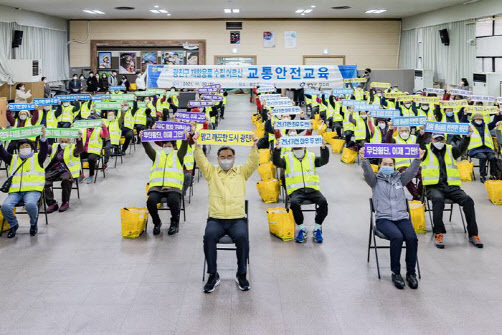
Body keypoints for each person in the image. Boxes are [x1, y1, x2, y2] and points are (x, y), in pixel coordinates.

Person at [194, 133, 259, 293]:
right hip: (216, 219)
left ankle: (241, 274)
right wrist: (196, 145)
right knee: (209, 237)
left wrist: (254, 146)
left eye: (229, 156)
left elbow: (253, 162)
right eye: (222, 157)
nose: (226, 159)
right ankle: (213, 275)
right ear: (217, 158)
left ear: (234, 158)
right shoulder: (211, 172)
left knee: (243, 238)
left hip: (237, 219)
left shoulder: (242, 172)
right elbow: (201, 161)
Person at [360, 146, 423, 289]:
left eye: (390, 164)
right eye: (385, 164)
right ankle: (396, 273)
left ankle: (411, 273)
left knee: (412, 238)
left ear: (394, 166)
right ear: (380, 165)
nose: (388, 166)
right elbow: (367, 171)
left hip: (401, 218)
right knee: (397, 237)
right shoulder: (374, 180)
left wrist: (418, 159)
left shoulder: (400, 179)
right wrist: (364, 159)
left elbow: (412, 172)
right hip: (384, 219)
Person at [419, 132, 483, 248]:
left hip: (451, 186)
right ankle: (438, 232)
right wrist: (420, 135)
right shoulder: (426, 150)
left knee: (468, 200)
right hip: (433, 186)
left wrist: (467, 137)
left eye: (441, 139)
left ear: (445, 140)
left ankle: (473, 234)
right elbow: (419, 146)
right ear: (432, 140)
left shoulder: (450, 150)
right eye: (437, 139)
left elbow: (461, 148)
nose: (439, 142)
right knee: (438, 200)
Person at [273, 139, 329, 243]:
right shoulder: (287, 158)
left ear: (305, 146)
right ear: (292, 147)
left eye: (300, 145)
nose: (298, 147)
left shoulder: (311, 156)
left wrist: (324, 148)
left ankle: (317, 228)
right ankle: (302, 228)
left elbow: (324, 161)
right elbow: (276, 162)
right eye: (295, 146)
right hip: (296, 191)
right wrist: (277, 149)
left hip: (312, 190)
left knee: (323, 202)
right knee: (294, 203)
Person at [0, 129, 48, 238]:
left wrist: (43, 138)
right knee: (5, 207)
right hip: (15, 192)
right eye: (22, 147)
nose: (24, 148)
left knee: (30, 204)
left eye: (27, 146)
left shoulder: (38, 158)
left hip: (33, 190)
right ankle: (14, 225)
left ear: (31, 147)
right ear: (18, 149)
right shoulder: (13, 159)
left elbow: (44, 149)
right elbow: (2, 152)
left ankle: (33, 224)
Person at [142, 136, 188, 236]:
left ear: (173, 146)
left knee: (173, 201)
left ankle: (174, 222)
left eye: (169, 146)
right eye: (165, 145)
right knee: (150, 201)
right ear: (162, 146)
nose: (167, 147)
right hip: (157, 187)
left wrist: (185, 139)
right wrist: (144, 138)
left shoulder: (178, 155)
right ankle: (157, 222)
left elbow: (184, 147)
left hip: (173, 187)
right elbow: (147, 148)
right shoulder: (156, 155)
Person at [45, 133, 83, 213]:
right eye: (62, 141)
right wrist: (44, 138)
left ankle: (65, 202)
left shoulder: (72, 148)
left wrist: (79, 140)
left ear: (69, 142)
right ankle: (52, 203)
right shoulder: (54, 146)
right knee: (43, 181)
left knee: (66, 180)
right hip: (54, 170)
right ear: (59, 141)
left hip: (67, 170)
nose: (63, 143)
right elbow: (45, 148)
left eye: (66, 141)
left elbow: (79, 150)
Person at [468, 113, 500, 182]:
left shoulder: (486, 126)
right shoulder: (469, 126)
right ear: (473, 120)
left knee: (493, 158)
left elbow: (494, 122)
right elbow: (463, 121)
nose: (479, 120)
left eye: (480, 119)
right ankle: (482, 175)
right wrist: (464, 114)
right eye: (477, 119)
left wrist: (497, 115)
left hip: (487, 148)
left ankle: (493, 175)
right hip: (475, 149)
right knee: (483, 157)